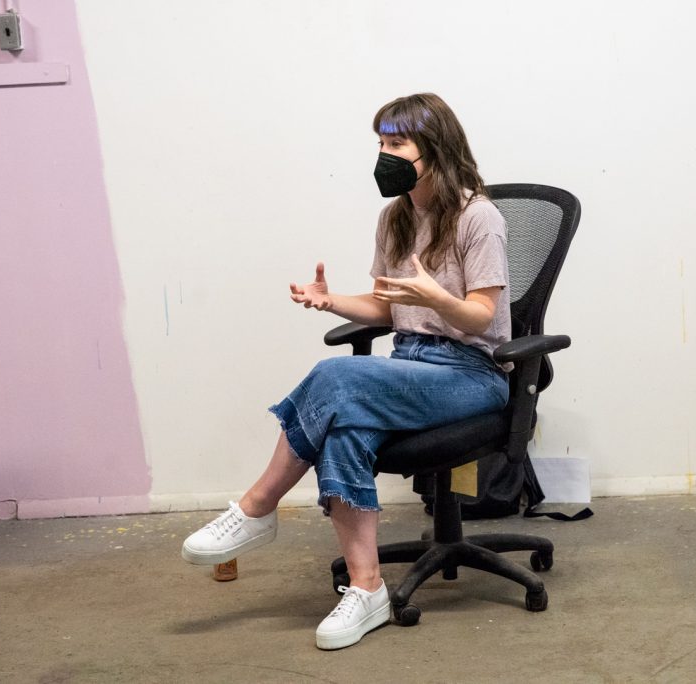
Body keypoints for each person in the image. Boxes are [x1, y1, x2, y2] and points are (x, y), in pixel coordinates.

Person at [181, 93, 511, 650]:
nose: (384, 154)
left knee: (336, 378)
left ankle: (257, 507)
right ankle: (368, 589)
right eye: (380, 144)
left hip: (470, 373)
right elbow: (389, 308)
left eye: (397, 144)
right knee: (345, 429)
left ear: (434, 147)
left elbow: (482, 316)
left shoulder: (480, 216)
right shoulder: (396, 217)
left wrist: (438, 297)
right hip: (411, 363)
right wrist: (332, 301)